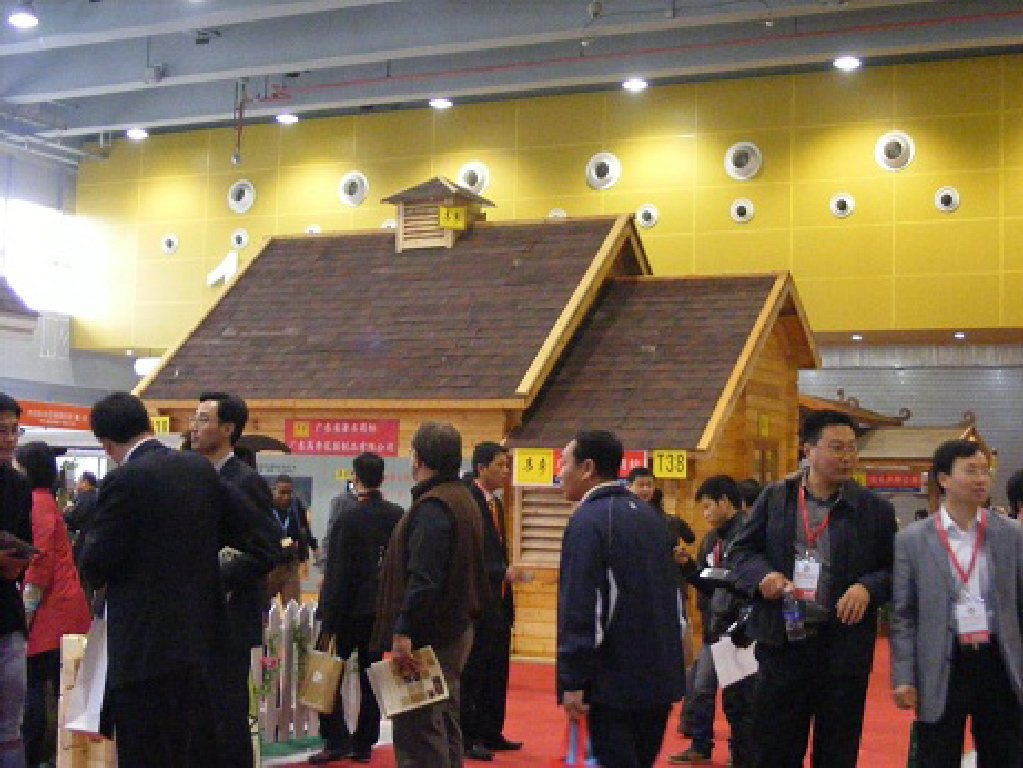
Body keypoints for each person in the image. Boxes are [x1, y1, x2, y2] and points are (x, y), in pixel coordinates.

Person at [78, 392, 278, 768]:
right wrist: (212, 577)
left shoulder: (124, 480)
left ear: (105, 443)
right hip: (199, 643)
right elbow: (266, 540)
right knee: (193, 751)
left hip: (143, 648)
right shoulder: (198, 470)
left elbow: (95, 563)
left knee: (144, 752)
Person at [730, 410, 897, 768]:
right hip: (783, 643)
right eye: (837, 448)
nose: (847, 457)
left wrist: (867, 588)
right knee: (774, 750)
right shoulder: (776, 498)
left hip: (843, 648)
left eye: (852, 448)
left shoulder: (875, 510)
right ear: (808, 450)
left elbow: (895, 569)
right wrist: (764, 577)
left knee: (837, 753)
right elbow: (741, 552)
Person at [891, 439, 1023, 767]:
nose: (981, 479)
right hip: (942, 659)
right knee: (937, 754)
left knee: (1006, 754)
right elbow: (904, 614)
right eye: (971, 470)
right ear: (944, 479)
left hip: (998, 660)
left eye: (985, 471)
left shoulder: (1011, 534)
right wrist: (904, 676)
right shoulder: (913, 540)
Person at [558, 430, 685, 768]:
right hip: (659, 675)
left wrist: (574, 680)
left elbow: (584, 606)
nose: (560, 473)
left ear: (587, 468)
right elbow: (674, 598)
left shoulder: (589, 522)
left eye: (564, 464)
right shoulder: (652, 518)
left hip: (613, 682)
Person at [372, 422, 487, 768]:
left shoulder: (434, 506)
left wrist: (404, 630)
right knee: (444, 719)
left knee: (419, 728)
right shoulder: (462, 498)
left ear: (418, 459)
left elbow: (424, 578)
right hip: (455, 627)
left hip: (431, 633)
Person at [191, 391, 280, 768]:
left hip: (231, 615)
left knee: (227, 713)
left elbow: (266, 551)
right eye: (194, 418)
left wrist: (217, 573)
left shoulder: (245, 481)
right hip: (196, 615)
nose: (194, 427)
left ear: (228, 429)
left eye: (203, 419)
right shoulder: (193, 475)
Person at [310, 452, 403, 765]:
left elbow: (337, 571)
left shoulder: (347, 517)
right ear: (382, 478)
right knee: (371, 675)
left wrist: (328, 617)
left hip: (347, 610)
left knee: (329, 674)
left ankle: (335, 738)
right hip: (379, 611)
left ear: (355, 477)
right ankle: (365, 743)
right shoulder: (396, 515)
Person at [13, 442, 91, 768]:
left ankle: (36, 756)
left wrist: (25, 613)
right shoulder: (46, 501)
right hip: (64, 607)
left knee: (35, 686)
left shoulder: (36, 503)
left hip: (51, 611)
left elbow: (39, 563)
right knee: (59, 689)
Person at [669, 476, 754, 767]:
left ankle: (740, 753)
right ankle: (700, 746)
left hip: (738, 629)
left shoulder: (747, 536)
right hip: (714, 624)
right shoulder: (712, 539)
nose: (704, 513)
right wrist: (689, 568)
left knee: (737, 698)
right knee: (701, 690)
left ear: (725, 503)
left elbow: (745, 583)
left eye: (708, 507)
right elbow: (709, 586)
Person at [461, 442, 526, 761]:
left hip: (499, 602)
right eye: (500, 465)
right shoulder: (468, 501)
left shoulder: (496, 504)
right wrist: (501, 571)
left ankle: (491, 730)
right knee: (474, 672)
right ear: (481, 467)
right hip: (477, 602)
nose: (505, 471)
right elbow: (470, 555)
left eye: (507, 465)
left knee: (497, 671)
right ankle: (469, 735)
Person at [0, 393, 34, 768]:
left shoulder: (17, 484)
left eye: (14, 431)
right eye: (1, 431)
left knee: (10, 727)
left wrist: (18, 563)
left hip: (7, 615)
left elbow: (26, 539)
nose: (9, 439)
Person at [267, 475, 318, 605]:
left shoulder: (296, 506)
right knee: (263, 608)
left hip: (290, 564)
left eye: (289, 493)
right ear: (274, 490)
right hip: (269, 564)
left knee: (292, 607)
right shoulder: (265, 508)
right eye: (282, 492)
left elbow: (305, 529)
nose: (286, 497)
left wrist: (314, 548)